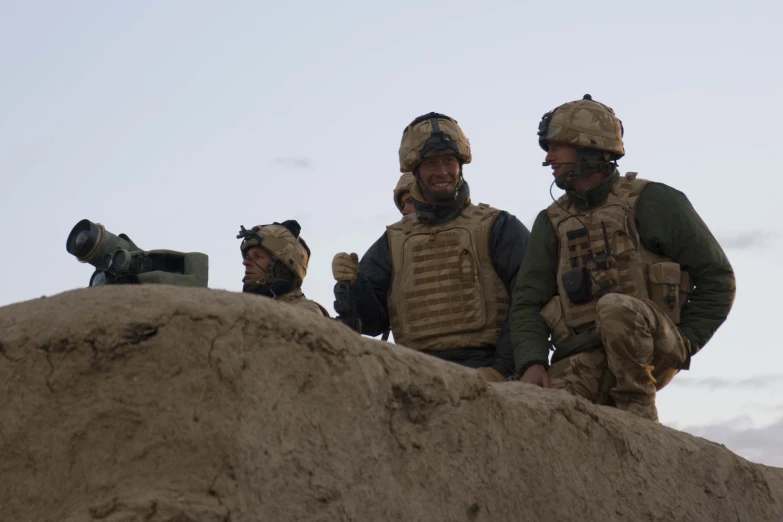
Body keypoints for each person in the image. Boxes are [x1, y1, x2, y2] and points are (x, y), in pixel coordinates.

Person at [509, 94, 736, 421]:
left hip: (651, 350)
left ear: (588, 147)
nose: (549, 157)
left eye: (557, 146)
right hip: (584, 356)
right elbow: (528, 301)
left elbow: (718, 277)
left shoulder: (654, 201)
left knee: (614, 306)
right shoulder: (552, 221)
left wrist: (687, 341)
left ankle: (638, 412)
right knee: (530, 414)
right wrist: (531, 363)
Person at [332, 112, 530, 381]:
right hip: (416, 374)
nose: (442, 172)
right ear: (416, 171)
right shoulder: (394, 241)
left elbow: (529, 300)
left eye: (449, 161)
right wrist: (352, 288)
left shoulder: (497, 226)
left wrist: (501, 369)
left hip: (490, 370)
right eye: (431, 164)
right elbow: (372, 322)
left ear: (461, 165)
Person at [238, 220, 330, 317]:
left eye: (257, 256)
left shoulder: (306, 311)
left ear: (281, 267)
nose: (245, 262)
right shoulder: (247, 309)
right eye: (247, 257)